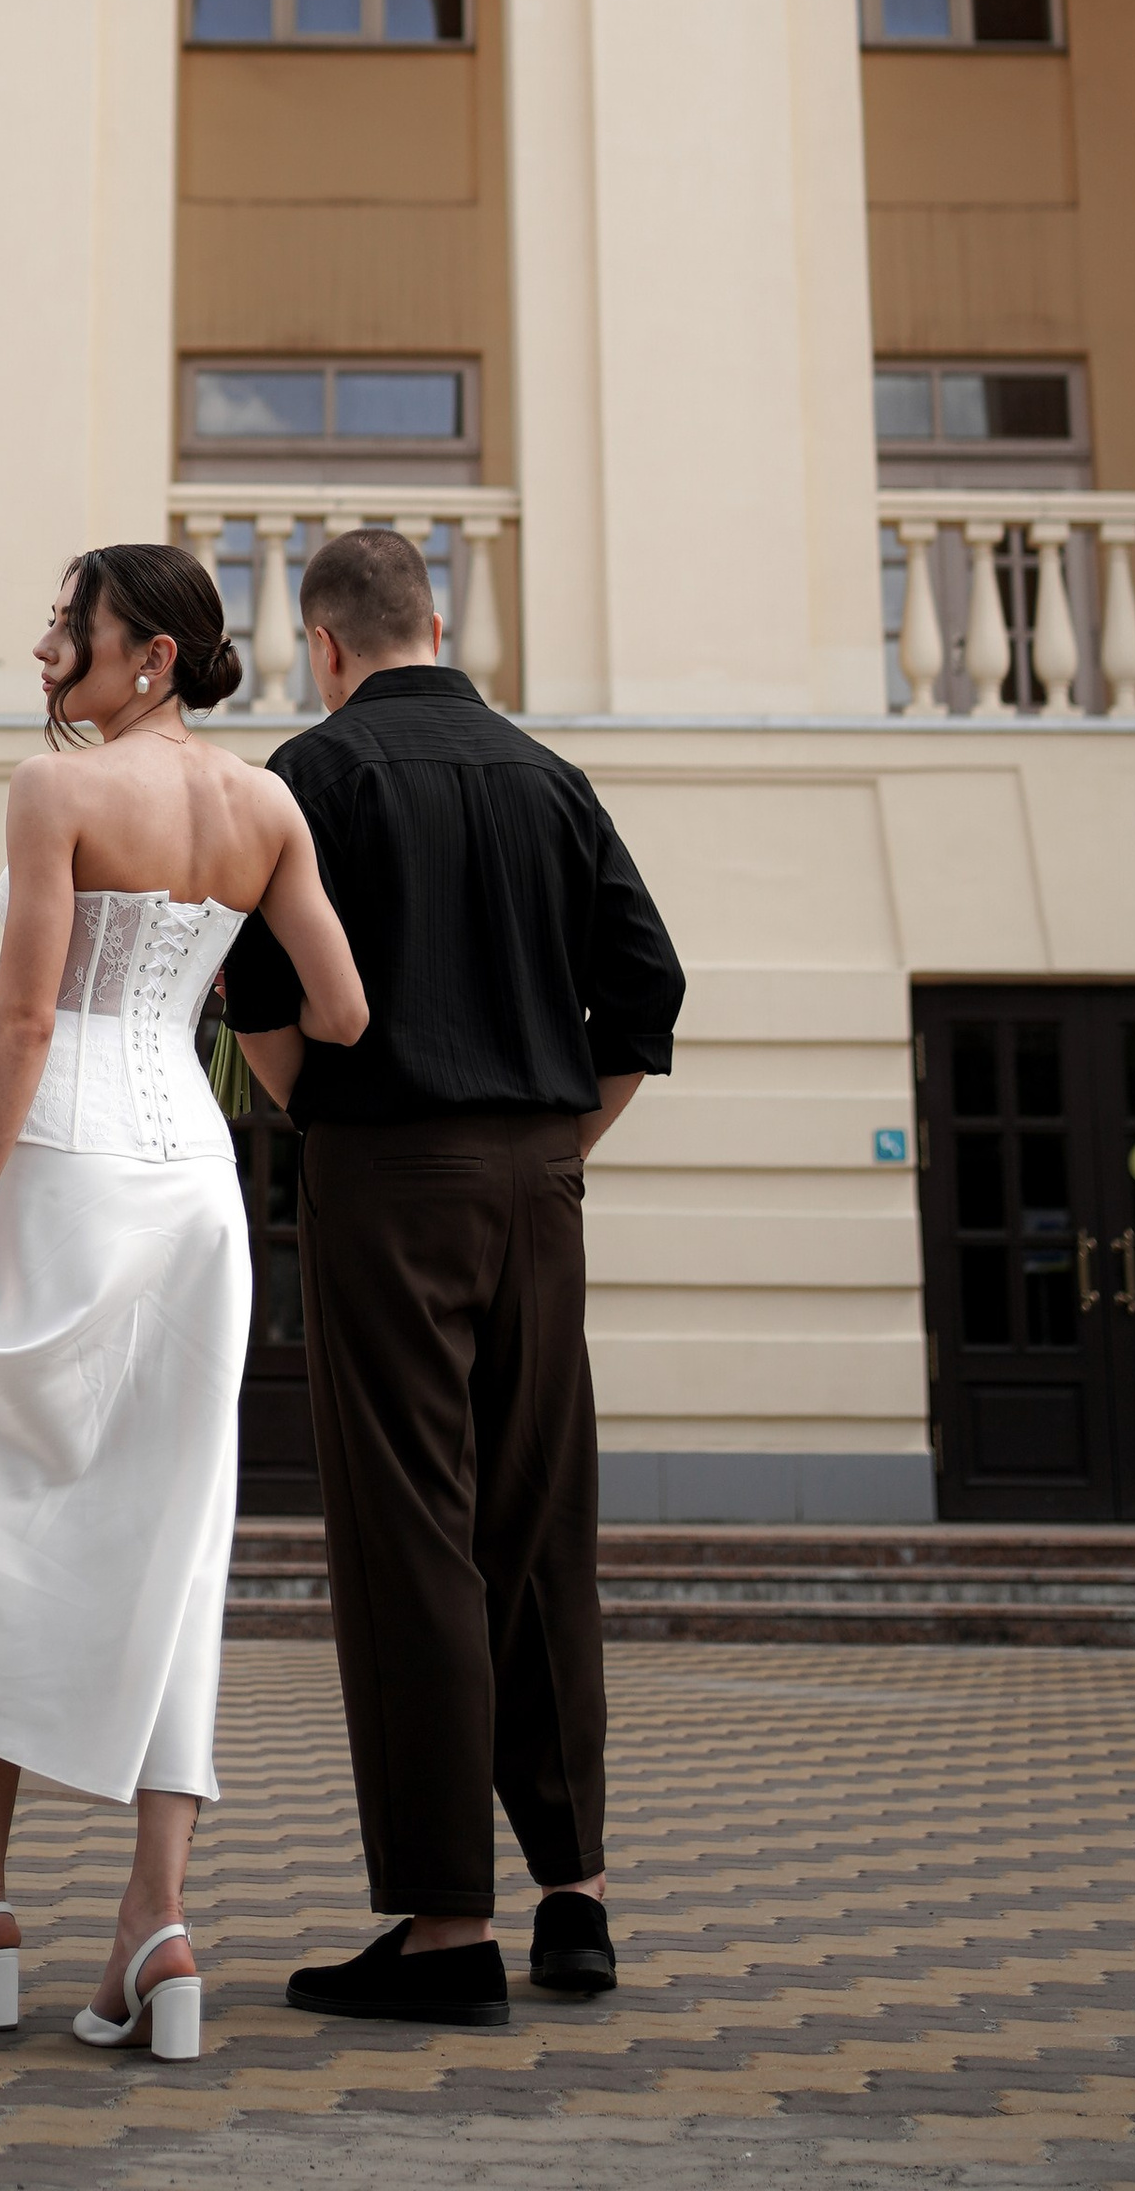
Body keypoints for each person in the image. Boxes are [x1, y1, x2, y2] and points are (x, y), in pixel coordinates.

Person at [0, 540, 366, 2061]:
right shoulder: (270, 806)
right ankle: (156, 1927)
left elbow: (26, 1016)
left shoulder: (57, 791)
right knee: (176, 1542)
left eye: (72, 627)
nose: (50, 649)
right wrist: (205, 986)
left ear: (149, 655)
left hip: (59, 1171)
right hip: (194, 1188)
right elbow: (344, 1008)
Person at [222, 524, 684, 2029]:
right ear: (436, 624)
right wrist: (558, 1145)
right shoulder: (553, 778)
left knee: (411, 1531)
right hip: (540, 1179)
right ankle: (578, 1899)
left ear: (326, 644)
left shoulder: (311, 774)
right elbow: (650, 989)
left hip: (384, 1172)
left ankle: (444, 1929)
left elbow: (261, 996)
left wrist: (323, 1116)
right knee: (542, 1522)